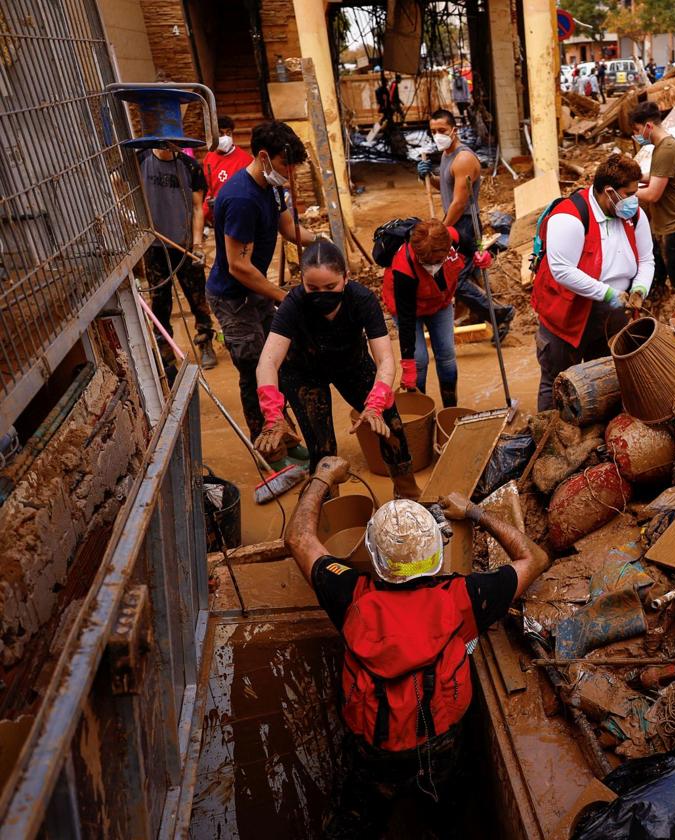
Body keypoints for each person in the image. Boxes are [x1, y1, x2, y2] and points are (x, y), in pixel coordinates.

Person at [285, 457, 551, 838]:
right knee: (447, 815)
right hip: (440, 745)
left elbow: (298, 539)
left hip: (371, 751)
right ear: (436, 554)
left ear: (374, 560)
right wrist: (475, 512)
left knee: (356, 819)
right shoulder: (465, 598)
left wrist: (323, 476)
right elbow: (535, 558)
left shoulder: (348, 595)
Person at [254, 241, 419, 499]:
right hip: (304, 373)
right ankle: (329, 509)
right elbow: (268, 361)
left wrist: (376, 401)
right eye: (313, 288)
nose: (322, 294)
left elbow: (386, 359)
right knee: (323, 449)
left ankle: (409, 494)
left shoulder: (361, 299)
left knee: (391, 425)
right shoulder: (293, 304)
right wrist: (272, 412)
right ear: (302, 282)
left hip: (351, 365)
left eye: (330, 287)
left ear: (346, 277)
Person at [206, 120, 316, 441]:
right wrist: (284, 296)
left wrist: (321, 241)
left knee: (277, 357)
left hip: (256, 291)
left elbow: (286, 227)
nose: (290, 172)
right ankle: (265, 438)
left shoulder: (272, 187)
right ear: (264, 156)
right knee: (254, 368)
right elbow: (238, 265)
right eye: (286, 164)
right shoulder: (241, 198)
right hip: (232, 298)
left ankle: (283, 425)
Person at [532, 153, 653, 410]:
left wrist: (640, 288)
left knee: (608, 378)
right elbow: (562, 270)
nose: (635, 199)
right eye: (629, 193)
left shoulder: (634, 216)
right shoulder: (570, 217)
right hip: (567, 311)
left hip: (613, 311)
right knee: (558, 381)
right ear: (609, 192)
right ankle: (548, 441)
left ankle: (597, 439)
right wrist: (608, 293)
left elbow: (646, 260)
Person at [417, 109, 515, 340]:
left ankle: (500, 314)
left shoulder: (463, 159)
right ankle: (480, 314)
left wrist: (440, 231)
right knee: (463, 276)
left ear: (454, 130)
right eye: (433, 131)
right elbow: (447, 185)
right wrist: (429, 177)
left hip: (464, 225)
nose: (437, 135)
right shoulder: (446, 155)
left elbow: (459, 202)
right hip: (455, 222)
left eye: (441, 130)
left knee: (455, 279)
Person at [382, 220, 490, 409]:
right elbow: (406, 320)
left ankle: (450, 407)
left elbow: (473, 243)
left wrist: (480, 253)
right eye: (426, 263)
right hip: (409, 309)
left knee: (447, 354)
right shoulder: (403, 269)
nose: (432, 267)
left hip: (440, 302)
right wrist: (407, 365)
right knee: (420, 360)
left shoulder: (452, 237)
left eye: (436, 262)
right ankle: (420, 409)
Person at [139, 142, 217, 375]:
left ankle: (205, 341)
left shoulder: (189, 165)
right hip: (154, 245)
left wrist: (198, 245)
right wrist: (132, 216)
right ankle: (165, 350)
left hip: (183, 244)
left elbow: (197, 208)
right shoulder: (140, 159)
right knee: (160, 299)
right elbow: (118, 187)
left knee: (197, 296)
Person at [630, 101, 675, 293]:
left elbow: (652, 194)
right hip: (666, 224)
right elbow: (660, 175)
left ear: (649, 126)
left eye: (637, 130)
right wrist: (636, 177)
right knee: (660, 271)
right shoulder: (662, 146)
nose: (637, 135)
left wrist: (622, 193)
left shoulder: (666, 149)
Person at [202, 115, 254, 228]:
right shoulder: (208, 158)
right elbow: (208, 191)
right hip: (214, 220)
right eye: (220, 134)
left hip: (238, 218)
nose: (225, 137)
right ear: (213, 135)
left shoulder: (246, 160)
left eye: (229, 133)